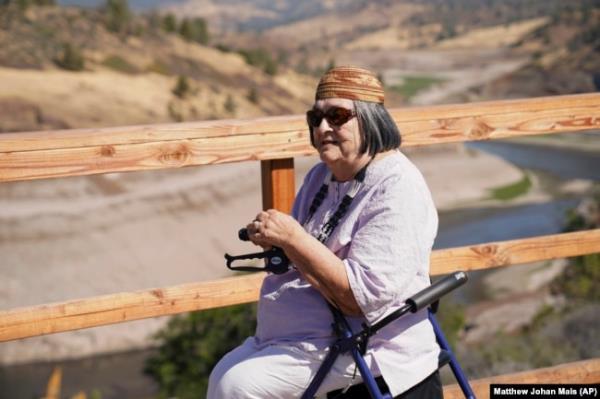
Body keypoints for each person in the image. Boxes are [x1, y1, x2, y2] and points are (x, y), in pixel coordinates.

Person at [207, 66, 441, 398]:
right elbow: (304, 254)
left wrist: (292, 237)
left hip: (364, 345)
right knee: (222, 375)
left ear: (372, 120)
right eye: (315, 119)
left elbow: (358, 299)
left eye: (337, 116)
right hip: (302, 338)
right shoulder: (322, 176)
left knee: (237, 386)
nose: (322, 128)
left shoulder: (398, 187)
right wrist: (278, 243)